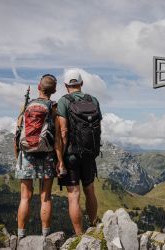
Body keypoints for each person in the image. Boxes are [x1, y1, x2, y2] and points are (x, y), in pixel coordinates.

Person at [14, 74, 63, 239]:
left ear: (38, 87)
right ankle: (45, 236)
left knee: (25, 197)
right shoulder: (53, 107)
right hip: (47, 155)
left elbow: (18, 132)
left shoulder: (27, 106)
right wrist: (60, 161)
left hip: (26, 153)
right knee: (46, 197)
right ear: (54, 91)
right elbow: (57, 138)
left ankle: (20, 236)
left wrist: (18, 156)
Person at [56, 68, 102, 235]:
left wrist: (60, 159)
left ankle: (79, 235)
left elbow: (63, 132)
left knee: (74, 194)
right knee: (90, 189)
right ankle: (93, 226)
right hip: (89, 153)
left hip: (71, 154)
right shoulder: (93, 100)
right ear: (81, 83)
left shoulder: (64, 101)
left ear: (65, 85)